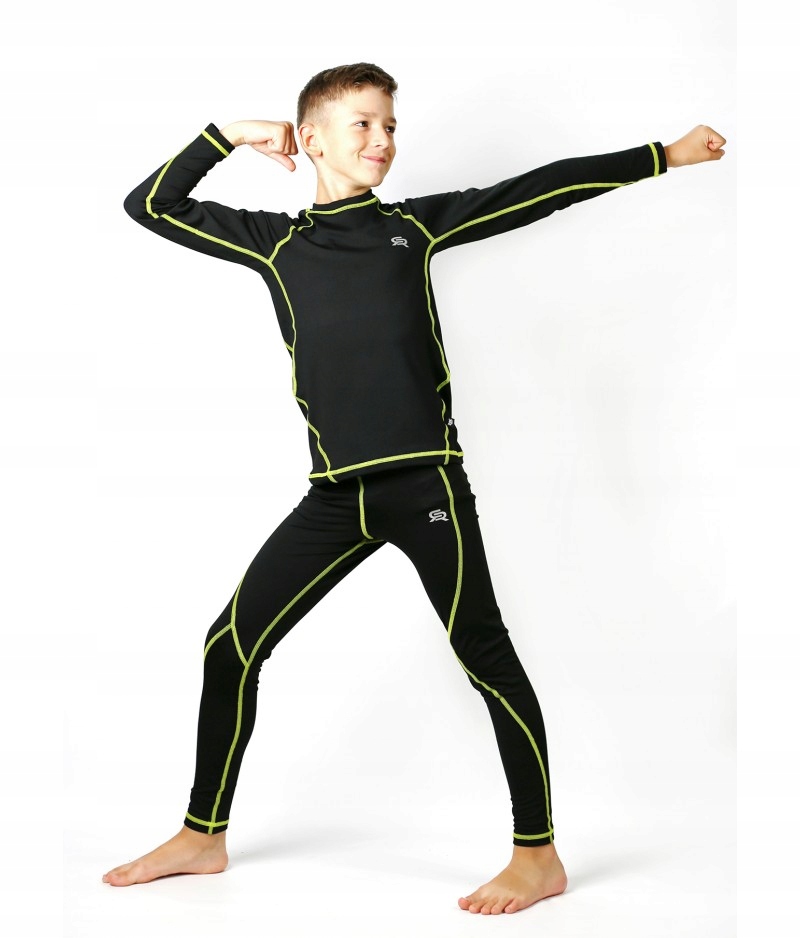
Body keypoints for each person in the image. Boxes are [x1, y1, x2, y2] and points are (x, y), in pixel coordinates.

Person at [103, 62, 726, 914]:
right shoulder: (274, 244)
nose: (383, 140)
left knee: (486, 657)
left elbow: (538, 190)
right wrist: (231, 135)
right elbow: (150, 204)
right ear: (311, 138)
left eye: (391, 126)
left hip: (426, 485)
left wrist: (664, 154)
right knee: (230, 645)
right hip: (334, 497)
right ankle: (203, 834)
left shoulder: (413, 229)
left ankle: (538, 855)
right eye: (362, 124)